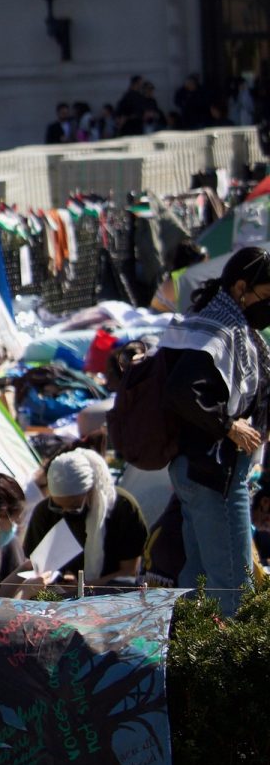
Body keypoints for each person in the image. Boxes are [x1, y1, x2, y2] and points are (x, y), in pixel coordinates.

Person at [158, 245, 270, 614]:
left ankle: (187, 644)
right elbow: (181, 390)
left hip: (196, 471)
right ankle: (229, 652)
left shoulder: (212, 324)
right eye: (266, 295)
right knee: (234, 585)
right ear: (241, 288)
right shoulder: (220, 330)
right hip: (215, 474)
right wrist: (228, 425)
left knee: (199, 578)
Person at [24, 448, 147, 592]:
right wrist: (57, 582)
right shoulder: (45, 512)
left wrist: (84, 587)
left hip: (112, 597)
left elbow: (129, 571)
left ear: (91, 491)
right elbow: (33, 567)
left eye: (74, 507)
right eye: (59, 506)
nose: (65, 512)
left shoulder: (122, 508)